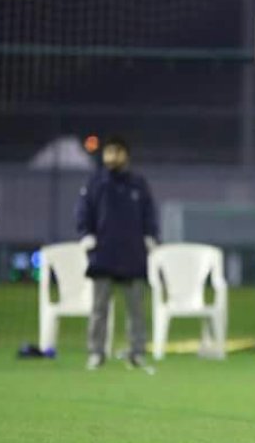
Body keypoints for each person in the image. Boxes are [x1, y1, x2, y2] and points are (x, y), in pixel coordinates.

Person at [76, 137, 158, 370]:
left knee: (136, 310)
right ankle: (96, 353)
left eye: (117, 152)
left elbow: (149, 212)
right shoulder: (95, 183)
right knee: (99, 309)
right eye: (108, 152)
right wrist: (86, 234)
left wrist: (150, 235)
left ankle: (137, 353)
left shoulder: (138, 184)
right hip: (103, 254)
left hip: (133, 255)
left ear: (125, 155)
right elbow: (83, 211)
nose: (112, 157)